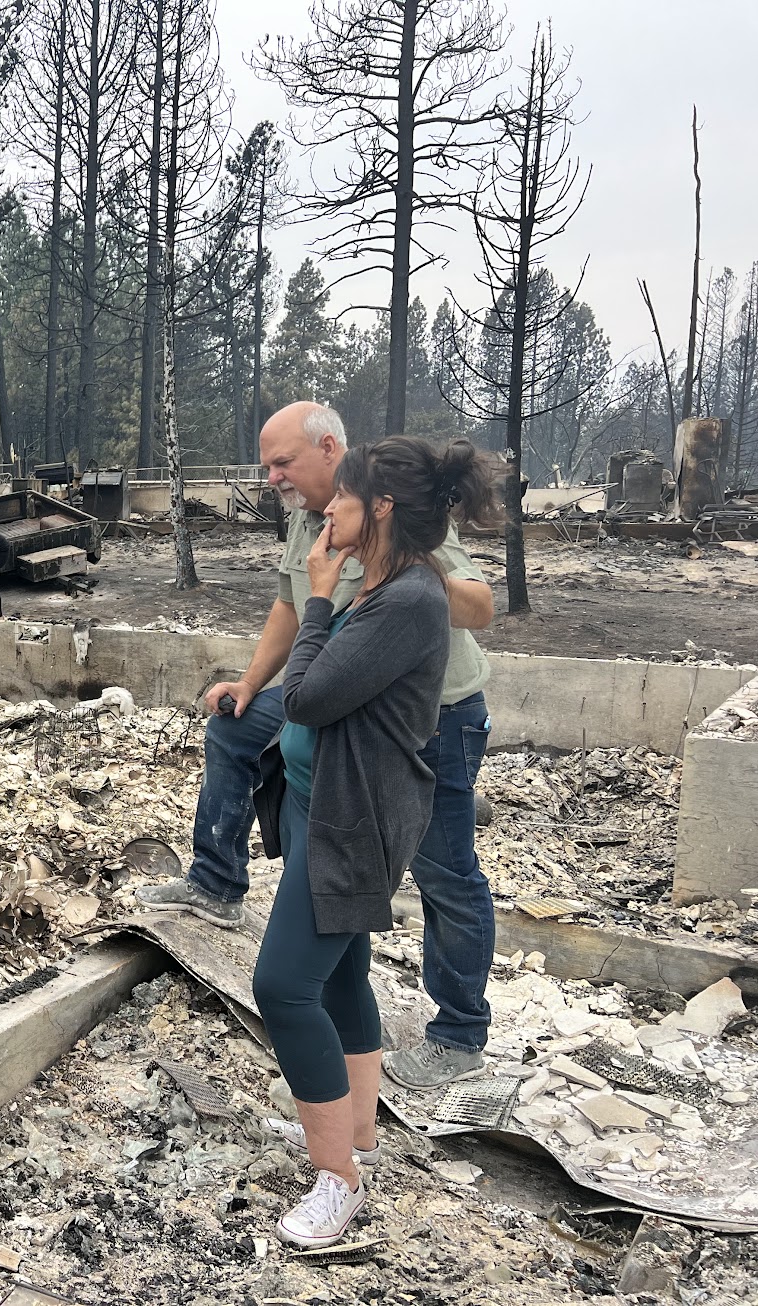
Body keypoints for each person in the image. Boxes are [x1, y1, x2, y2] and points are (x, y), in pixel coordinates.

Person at [136, 402, 500, 1092]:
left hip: (426, 719)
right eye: (267, 464)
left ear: (330, 448)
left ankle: (458, 1032)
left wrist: (400, 573)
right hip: (331, 694)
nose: (272, 476)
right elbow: (289, 606)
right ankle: (216, 882)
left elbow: (480, 604)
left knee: (445, 871)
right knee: (236, 724)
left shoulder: (391, 510)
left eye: (283, 462)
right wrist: (248, 683)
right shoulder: (312, 517)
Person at [251, 435, 505, 1248]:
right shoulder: (393, 584)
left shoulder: (408, 601)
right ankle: (352, 1133)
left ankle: (339, 1182)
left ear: (382, 508)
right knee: (339, 979)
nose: (332, 511)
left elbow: (311, 696)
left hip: (351, 825)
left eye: (346, 500)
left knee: (283, 988)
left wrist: (320, 600)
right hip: (317, 805)